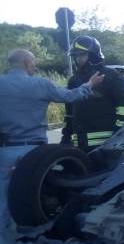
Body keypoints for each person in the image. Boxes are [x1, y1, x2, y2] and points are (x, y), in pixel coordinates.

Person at [0, 48, 104, 221]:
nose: (35, 67)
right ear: (26, 63)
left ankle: (4, 237)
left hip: (5, 150)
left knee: (3, 197)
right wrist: (90, 84)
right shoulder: (40, 84)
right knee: (33, 195)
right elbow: (70, 96)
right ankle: (29, 238)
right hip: (34, 152)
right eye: (33, 63)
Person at [61, 36, 124, 152]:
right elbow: (69, 112)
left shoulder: (112, 76)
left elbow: (123, 106)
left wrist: (118, 131)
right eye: (76, 55)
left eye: (82, 55)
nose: (78, 59)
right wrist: (66, 138)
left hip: (106, 145)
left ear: (93, 55)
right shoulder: (74, 80)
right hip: (79, 144)